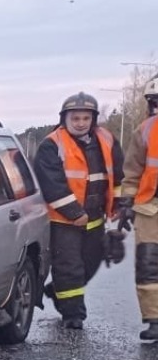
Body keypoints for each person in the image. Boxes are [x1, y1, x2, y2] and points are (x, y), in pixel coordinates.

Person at [32, 91, 125, 330]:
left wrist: (121, 206)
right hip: (63, 221)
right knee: (69, 267)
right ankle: (73, 315)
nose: (81, 123)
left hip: (95, 218)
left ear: (93, 119)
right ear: (65, 118)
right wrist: (74, 212)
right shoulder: (51, 145)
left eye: (85, 118)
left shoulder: (107, 139)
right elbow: (52, 184)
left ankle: (57, 291)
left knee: (90, 265)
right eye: (76, 118)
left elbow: (118, 176)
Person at [119, 74, 158, 340]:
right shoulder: (144, 130)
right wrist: (126, 204)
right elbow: (132, 172)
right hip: (149, 208)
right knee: (148, 264)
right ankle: (154, 319)